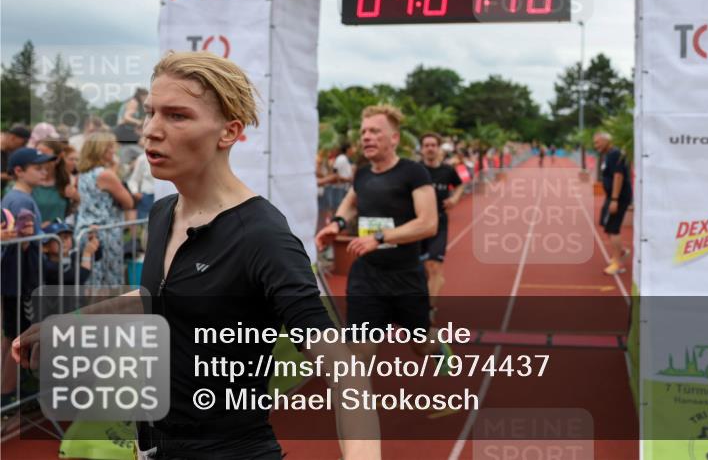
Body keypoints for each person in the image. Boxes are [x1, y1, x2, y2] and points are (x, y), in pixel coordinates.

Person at [15, 51, 380, 459]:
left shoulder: (263, 237)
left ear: (229, 132)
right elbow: (159, 296)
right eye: (152, 112)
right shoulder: (162, 213)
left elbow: (345, 374)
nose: (151, 130)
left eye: (177, 116)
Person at [315, 105, 448, 366]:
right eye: (364, 132)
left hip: (406, 276)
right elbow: (352, 202)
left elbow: (428, 223)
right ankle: (357, 404)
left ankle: (437, 344)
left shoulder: (413, 172)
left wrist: (379, 238)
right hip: (367, 277)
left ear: (394, 138)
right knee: (359, 355)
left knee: (421, 346)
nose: (366, 137)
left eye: (375, 131)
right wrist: (337, 224)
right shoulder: (362, 174)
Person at [1, 147, 54, 408]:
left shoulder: (18, 197)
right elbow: (18, 245)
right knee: (18, 338)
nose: (44, 171)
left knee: (14, 335)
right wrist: (27, 239)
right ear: (19, 171)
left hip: (19, 281)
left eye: (45, 166)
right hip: (20, 282)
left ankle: (10, 391)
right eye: (37, 167)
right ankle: (8, 395)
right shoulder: (19, 200)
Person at [75, 131, 135, 286]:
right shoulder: (105, 174)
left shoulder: (83, 173)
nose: (113, 150)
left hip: (85, 230)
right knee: (108, 281)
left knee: (92, 279)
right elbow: (128, 202)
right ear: (100, 150)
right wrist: (115, 172)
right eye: (110, 147)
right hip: (105, 232)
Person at [418, 133, 464, 313]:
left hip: (439, 222)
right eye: (426, 145)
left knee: (433, 265)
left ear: (438, 149)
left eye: (433, 145)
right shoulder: (416, 170)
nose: (430, 148)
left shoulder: (447, 170)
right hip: (417, 223)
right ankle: (432, 288)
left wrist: (455, 199)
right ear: (422, 149)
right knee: (421, 270)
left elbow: (460, 185)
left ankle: (429, 310)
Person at [593, 132, 632, 276]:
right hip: (611, 196)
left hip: (618, 197)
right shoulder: (609, 154)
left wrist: (615, 199)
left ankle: (618, 265)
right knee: (606, 224)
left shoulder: (615, 154)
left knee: (613, 228)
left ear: (606, 141)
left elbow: (618, 176)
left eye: (597, 142)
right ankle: (620, 252)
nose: (595, 145)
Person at [33, 139, 80, 229]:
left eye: (44, 155)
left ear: (57, 159)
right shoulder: (30, 182)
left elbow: (70, 212)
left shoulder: (67, 181)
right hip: (35, 239)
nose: (39, 159)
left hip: (58, 237)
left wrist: (76, 199)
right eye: (36, 154)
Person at [40, 221, 98, 286]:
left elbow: (97, 255)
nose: (63, 241)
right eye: (57, 239)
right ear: (45, 247)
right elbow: (80, 277)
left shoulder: (73, 255)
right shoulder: (49, 267)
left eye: (66, 237)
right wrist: (87, 254)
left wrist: (92, 238)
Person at [0, 125, 31, 191]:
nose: (23, 147)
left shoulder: (10, 151)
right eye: (23, 143)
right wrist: (9, 176)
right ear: (12, 138)